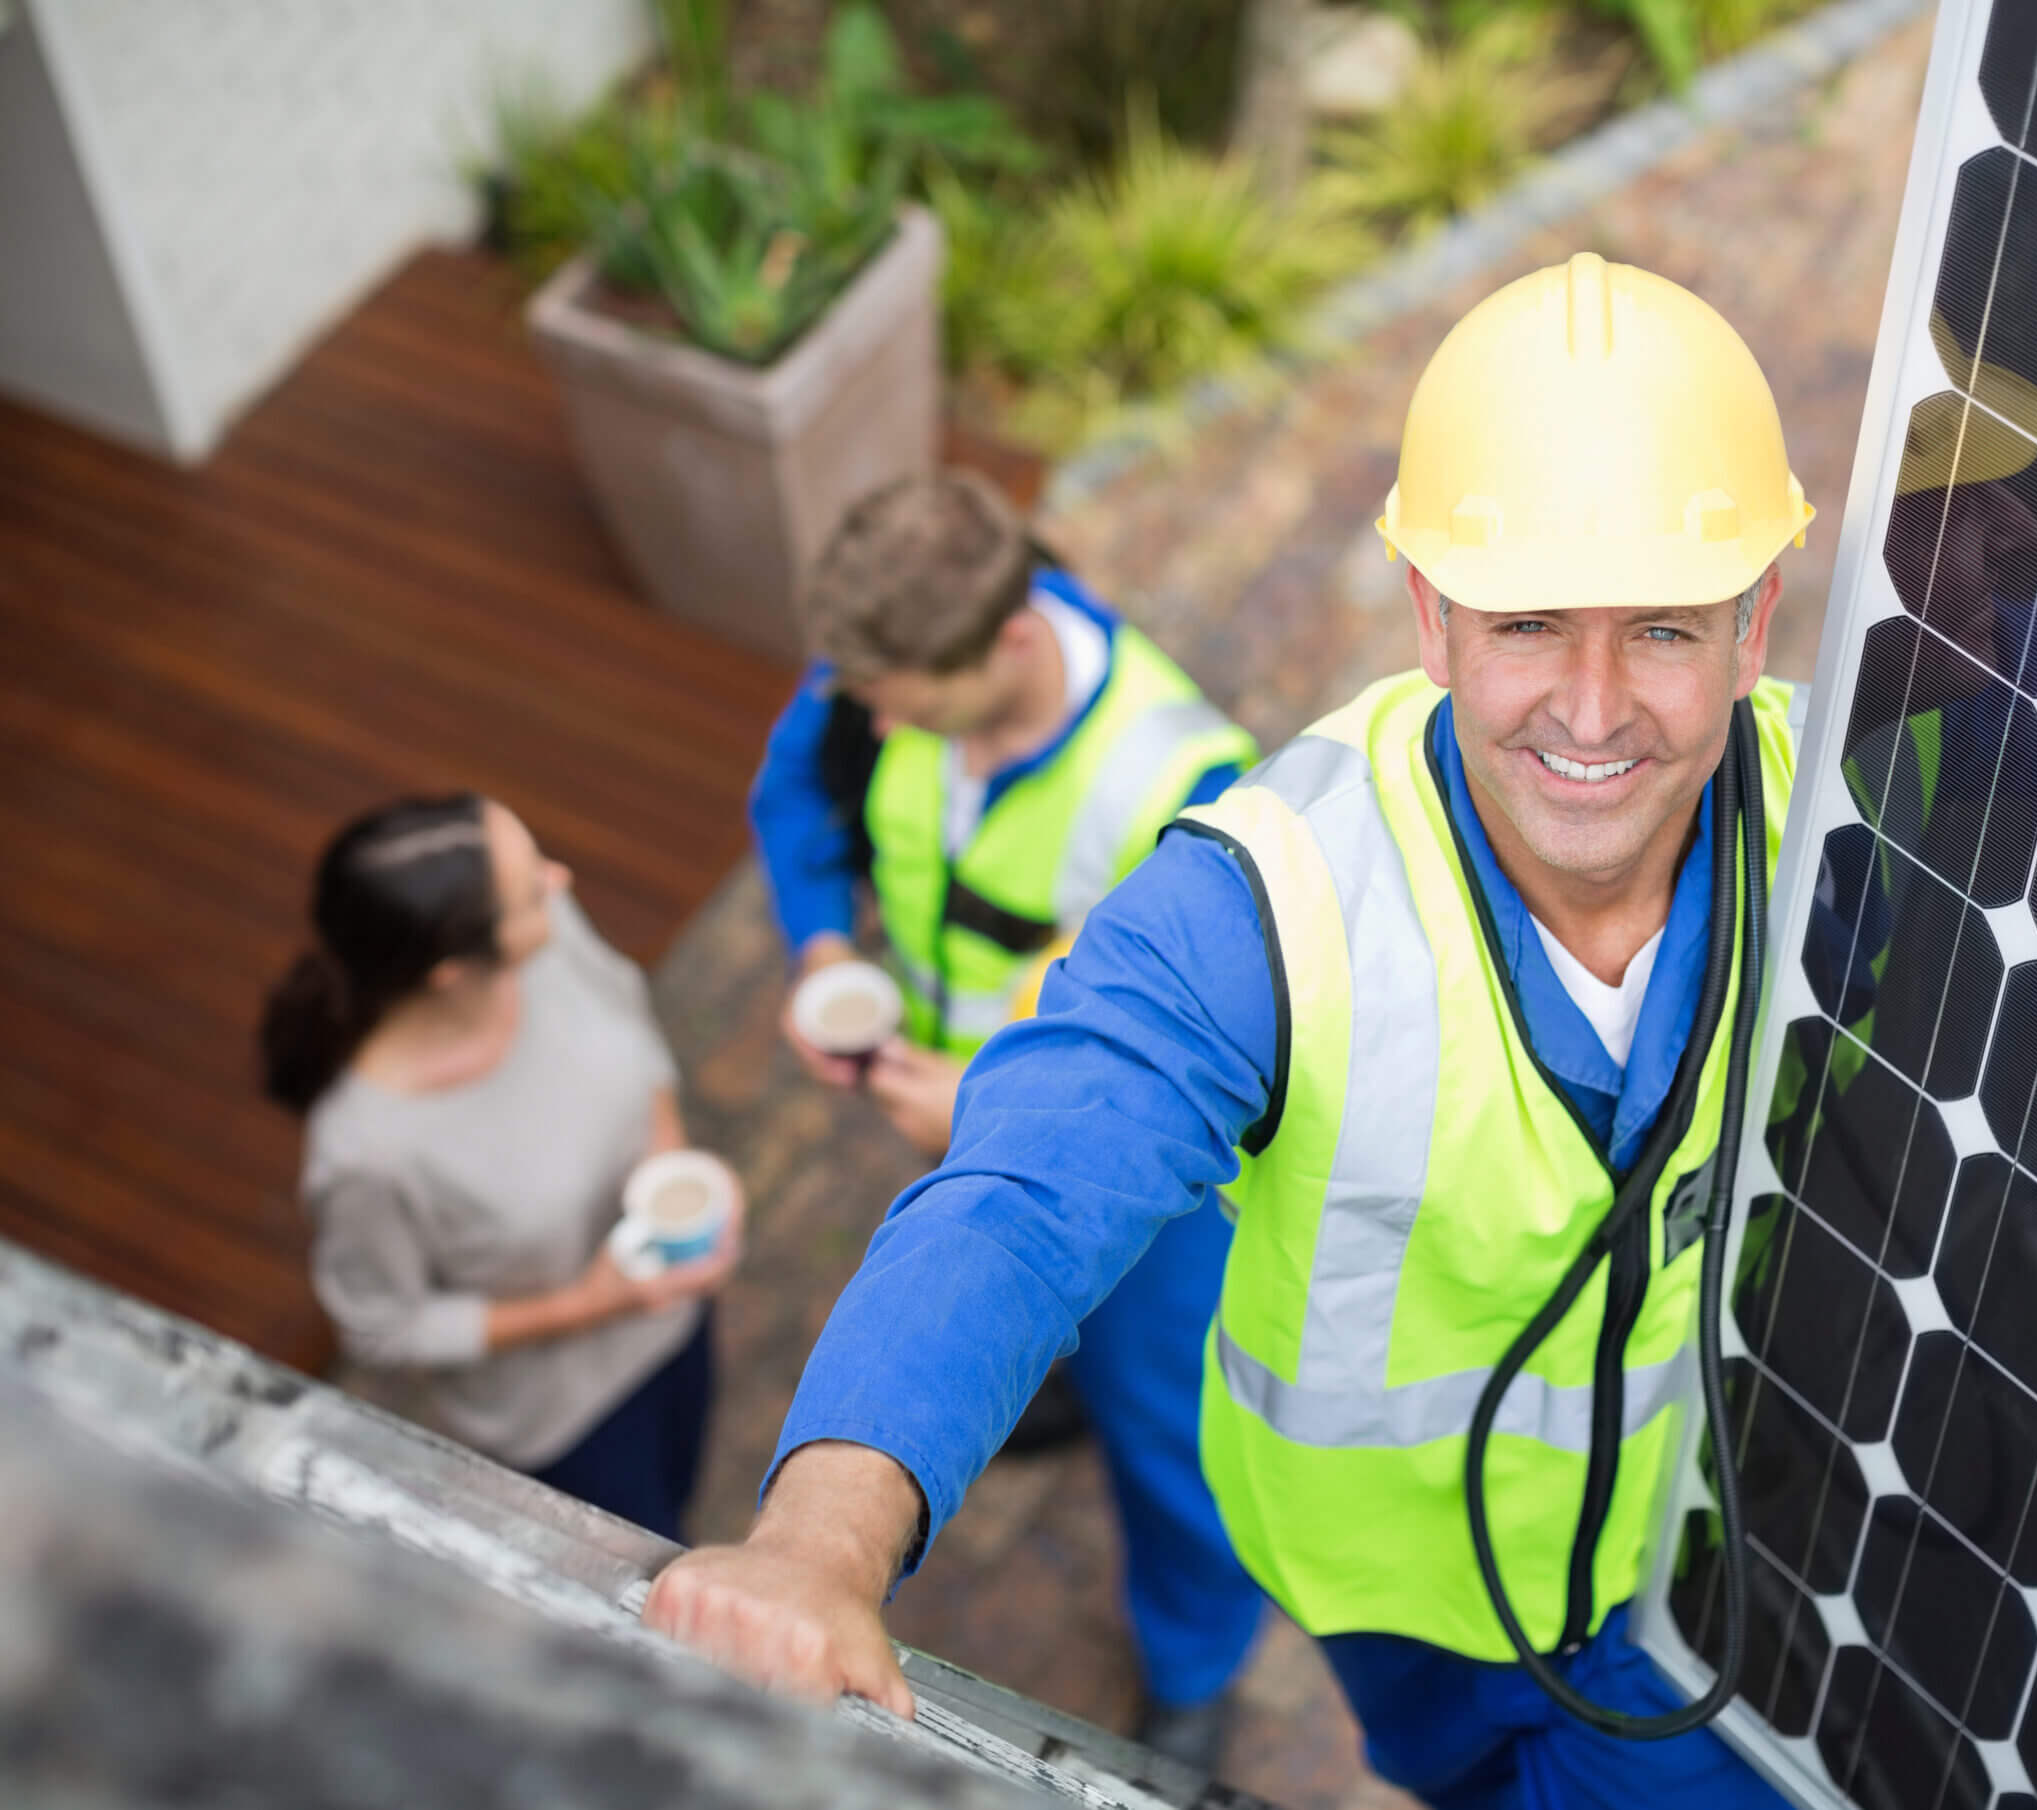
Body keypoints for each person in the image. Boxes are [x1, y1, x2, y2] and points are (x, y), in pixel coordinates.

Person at [650, 252, 1806, 1810]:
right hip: (1397, 1589)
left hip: (1699, 1565)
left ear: (1757, 622)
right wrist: (816, 1541)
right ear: (1432, 620)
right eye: (1528, 622)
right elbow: (1023, 1196)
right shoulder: (1264, 900)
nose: (1593, 711)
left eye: (1665, 629)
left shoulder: (1852, 818)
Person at [744, 470, 1267, 1763]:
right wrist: (819, 947)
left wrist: (982, 1112)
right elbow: (799, 794)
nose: (872, 716)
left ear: (1013, 639)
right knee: (1020, 1318)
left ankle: (1196, 1664)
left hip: (1150, 1194)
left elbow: (1203, 1055)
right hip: (959, 1104)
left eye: (900, 702)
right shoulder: (893, 658)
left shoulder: (1186, 783)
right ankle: (1054, 1376)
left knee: (1178, 1435)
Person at [260, 795, 739, 1543]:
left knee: (683, 1479)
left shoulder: (547, 935)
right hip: (562, 1421)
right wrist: (589, 1304)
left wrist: (673, 1167)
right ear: (453, 971)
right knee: (646, 1561)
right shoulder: (366, 1153)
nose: (559, 876)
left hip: (672, 1317)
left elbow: (625, 1009)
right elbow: (384, 1328)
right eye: (529, 889)